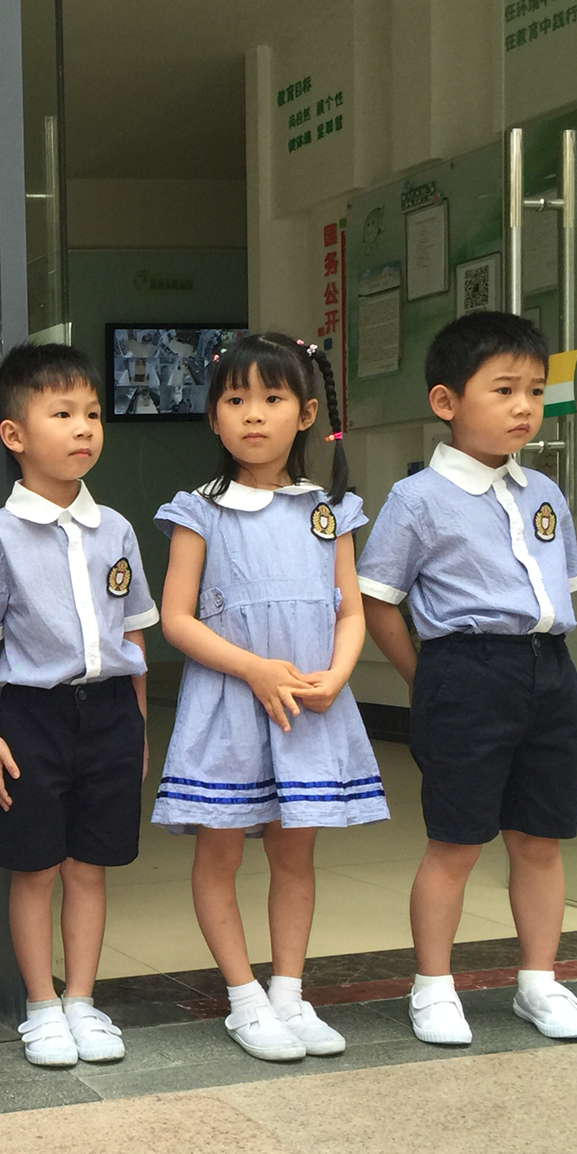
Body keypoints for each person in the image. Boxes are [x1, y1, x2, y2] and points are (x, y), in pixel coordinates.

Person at [357, 310, 577, 1047]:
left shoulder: (545, 492)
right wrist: (424, 675)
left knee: (540, 838)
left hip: (549, 671)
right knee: (457, 841)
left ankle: (539, 981)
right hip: (465, 672)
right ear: (446, 401)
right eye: (504, 389)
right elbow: (377, 599)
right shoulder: (417, 499)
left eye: (536, 391)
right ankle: (432, 987)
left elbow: (562, 587)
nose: (525, 406)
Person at [153, 333, 388, 1062]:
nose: (253, 414)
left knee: (294, 854)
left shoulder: (330, 511)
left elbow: (351, 611)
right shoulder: (200, 511)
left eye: (273, 398)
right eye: (235, 399)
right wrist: (254, 669)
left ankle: (288, 992)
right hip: (229, 706)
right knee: (219, 852)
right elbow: (175, 618)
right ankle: (244, 999)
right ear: (214, 418)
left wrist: (338, 673)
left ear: (306, 413)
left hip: (307, 709)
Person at [0, 343, 157, 1069]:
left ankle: (82, 1000)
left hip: (111, 713)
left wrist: (138, 726)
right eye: (62, 414)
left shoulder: (116, 528)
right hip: (31, 717)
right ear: (15, 435)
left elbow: (133, 633)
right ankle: (40, 1004)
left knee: (89, 865)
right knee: (34, 866)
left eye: (92, 413)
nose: (84, 427)